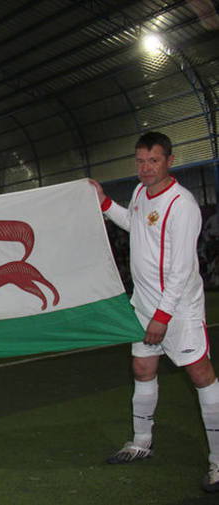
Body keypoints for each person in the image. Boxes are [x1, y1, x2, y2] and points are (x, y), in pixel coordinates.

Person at [90, 131, 219, 492]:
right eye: (141, 161)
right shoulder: (139, 192)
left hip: (177, 311)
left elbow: (181, 268)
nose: (146, 168)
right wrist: (104, 202)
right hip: (144, 305)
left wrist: (162, 316)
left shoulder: (182, 205)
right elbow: (134, 225)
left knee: (201, 375)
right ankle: (141, 443)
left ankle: (218, 460)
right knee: (142, 369)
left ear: (169, 161)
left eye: (154, 161)